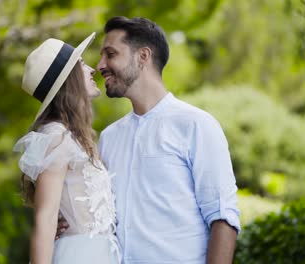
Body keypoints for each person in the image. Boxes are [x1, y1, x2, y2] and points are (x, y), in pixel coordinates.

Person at [95, 17, 241, 263]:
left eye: (110, 54)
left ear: (143, 57)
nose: (100, 65)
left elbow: (223, 218)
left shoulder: (196, 125)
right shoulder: (109, 138)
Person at [13, 33, 120, 264]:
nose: (92, 69)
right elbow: (46, 217)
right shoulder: (55, 136)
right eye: (82, 64)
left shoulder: (74, 137)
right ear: (68, 79)